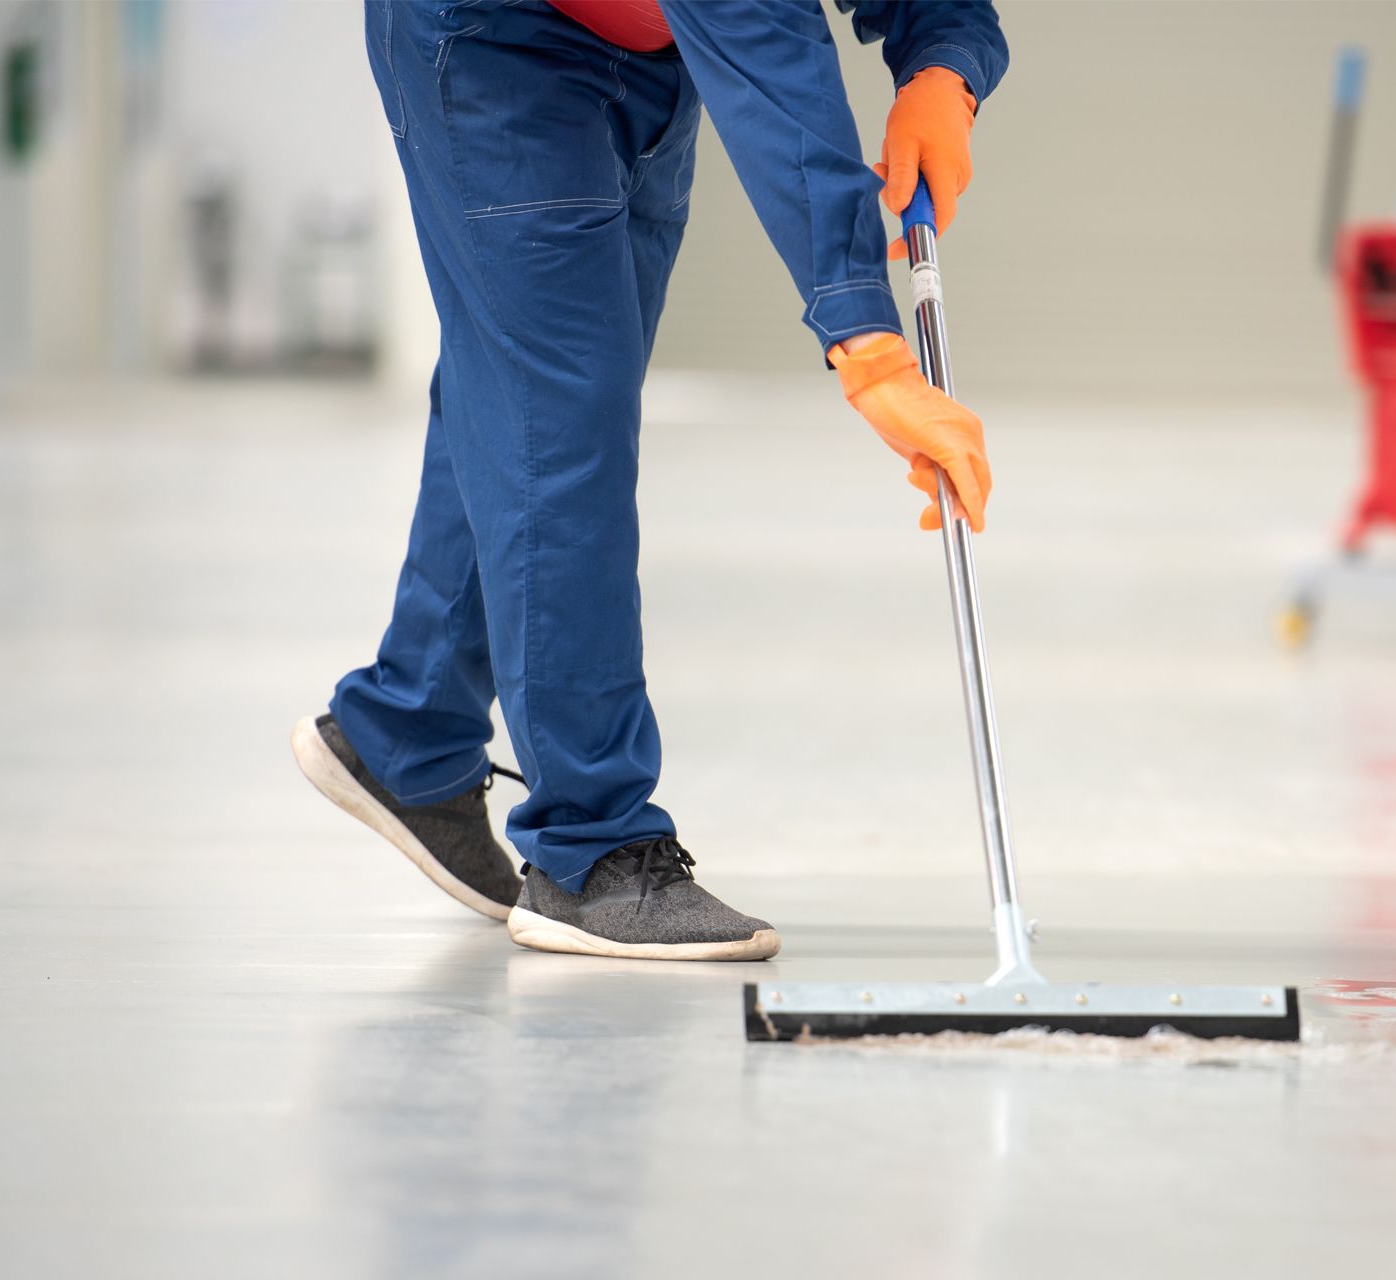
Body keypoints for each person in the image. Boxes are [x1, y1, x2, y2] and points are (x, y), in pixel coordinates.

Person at [291, 0, 1007, 960]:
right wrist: (868, 348)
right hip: (489, 42)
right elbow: (768, 62)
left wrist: (946, 68)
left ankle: (408, 730)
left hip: (644, 52)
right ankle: (590, 851)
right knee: (564, 419)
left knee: (533, 399)